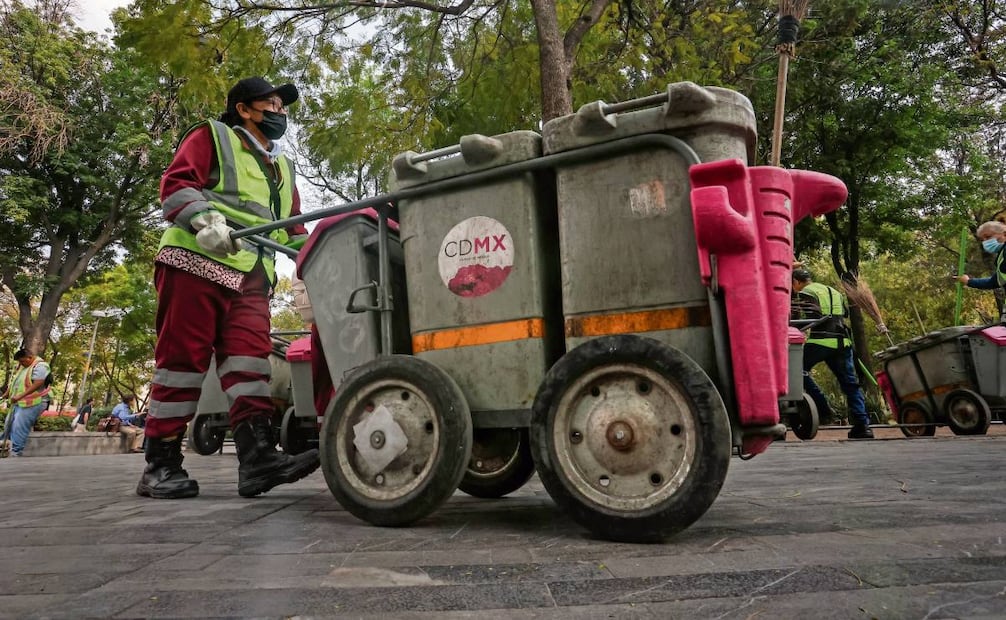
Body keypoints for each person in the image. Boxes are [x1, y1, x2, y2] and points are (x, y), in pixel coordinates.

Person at [137, 76, 319, 499]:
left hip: (252, 276)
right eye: (272, 104)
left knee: (251, 365)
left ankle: (257, 459)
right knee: (182, 363)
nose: (281, 112)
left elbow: (291, 229)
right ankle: (159, 465)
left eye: (283, 106)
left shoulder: (283, 166)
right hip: (196, 260)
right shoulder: (212, 136)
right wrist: (205, 220)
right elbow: (177, 186)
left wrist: (317, 248)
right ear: (244, 108)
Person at [791, 269, 874, 439]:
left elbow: (809, 317)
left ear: (796, 281)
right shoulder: (833, 291)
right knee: (850, 384)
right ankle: (863, 426)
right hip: (842, 342)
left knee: (795, 370)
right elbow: (843, 314)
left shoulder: (806, 292)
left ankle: (823, 407)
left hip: (820, 341)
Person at [0, 348, 52, 457]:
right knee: (8, 424)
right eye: (20, 362)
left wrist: (19, 396)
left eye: (23, 361)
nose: (21, 363)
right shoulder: (24, 367)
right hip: (20, 402)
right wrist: (7, 393)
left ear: (30, 357)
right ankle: (3, 446)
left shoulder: (41, 366)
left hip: (35, 401)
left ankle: (15, 452)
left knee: (19, 426)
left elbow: (38, 383)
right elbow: (16, 381)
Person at [957, 221, 1006, 321]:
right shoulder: (1001, 256)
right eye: (982, 240)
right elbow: (994, 281)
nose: (985, 242)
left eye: (988, 237)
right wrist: (969, 281)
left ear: (1004, 234)